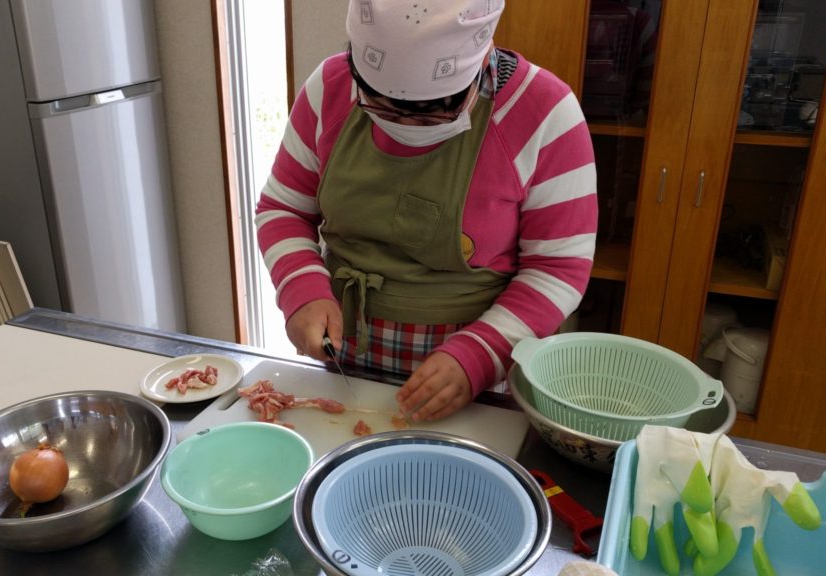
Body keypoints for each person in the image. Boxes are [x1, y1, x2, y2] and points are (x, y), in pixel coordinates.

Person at [255, 0, 597, 422]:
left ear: (480, 63)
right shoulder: (329, 88)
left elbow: (558, 268)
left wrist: (480, 355)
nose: (404, 127)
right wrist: (301, 289)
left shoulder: (544, 112)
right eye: (379, 106)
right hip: (344, 364)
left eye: (433, 114)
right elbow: (282, 208)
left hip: (476, 388)